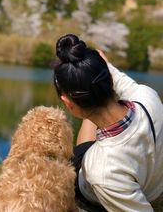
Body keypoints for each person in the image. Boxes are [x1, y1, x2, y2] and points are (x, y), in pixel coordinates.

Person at [53, 33, 163, 212]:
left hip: (106, 185)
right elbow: (118, 81)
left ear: (67, 103)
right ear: (108, 78)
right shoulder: (147, 96)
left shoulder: (102, 171)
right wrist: (101, 67)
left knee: (74, 160)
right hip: (153, 182)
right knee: (101, 108)